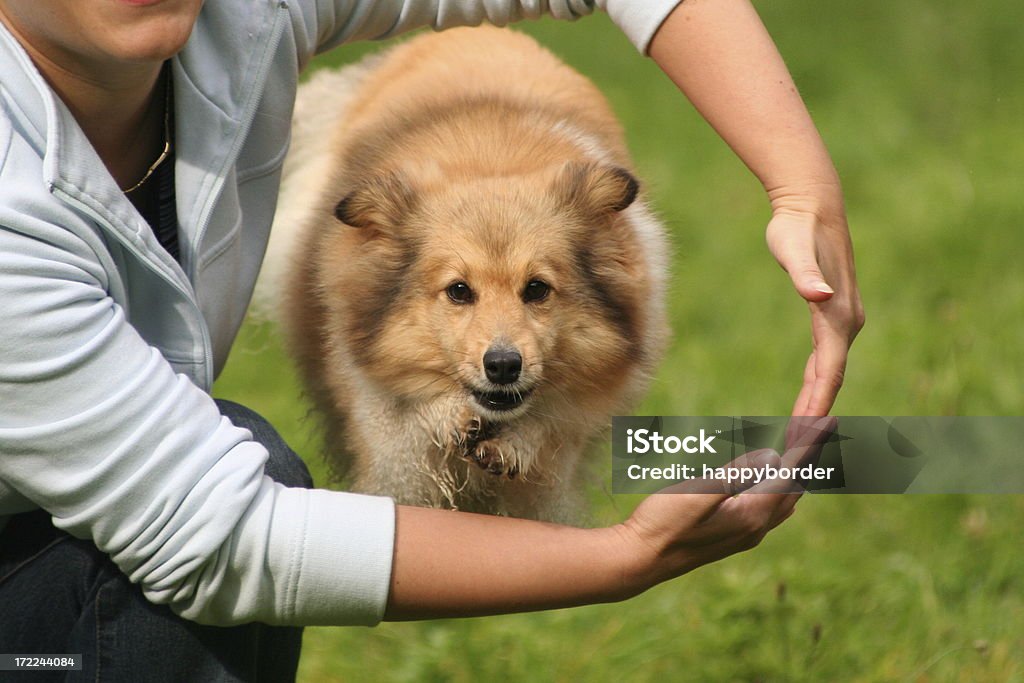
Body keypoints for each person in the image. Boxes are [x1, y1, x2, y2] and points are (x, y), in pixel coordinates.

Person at [0, 0, 862, 680]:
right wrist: (624, 553)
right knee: (246, 474)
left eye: (534, 292)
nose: (501, 342)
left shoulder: (228, 12)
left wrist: (802, 186)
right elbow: (223, 536)